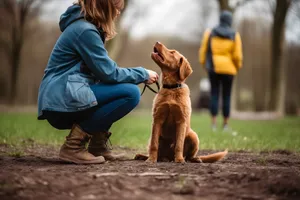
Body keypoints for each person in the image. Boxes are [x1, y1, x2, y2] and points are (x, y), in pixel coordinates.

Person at [37, 0, 159, 164]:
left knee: (120, 90)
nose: (117, 13)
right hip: (60, 98)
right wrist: (142, 73)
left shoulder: (87, 27)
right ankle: (73, 147)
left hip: (66, 94)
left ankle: (97, 145)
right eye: (116, 9)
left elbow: (104, 73)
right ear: (105, 7)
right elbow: (109, 73)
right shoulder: (85, 31)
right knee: (131, 93)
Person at [199, 10, 243, 132]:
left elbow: (203, 51)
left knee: (214, 94)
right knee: (227, 96)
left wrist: (204, 64)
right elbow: (237, 56)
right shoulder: (235, 35)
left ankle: (213, 123)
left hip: (213, 68)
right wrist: (237, 67)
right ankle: (225, 125)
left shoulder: (210, 33)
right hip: (229, 70)